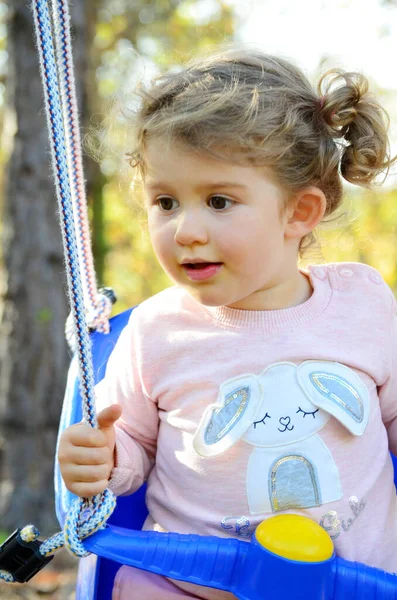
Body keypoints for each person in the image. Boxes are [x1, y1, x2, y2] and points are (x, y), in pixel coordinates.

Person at [58, 46, 397, 600]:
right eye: (165, 202)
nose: (185, 229)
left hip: (355, 586)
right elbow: (132, 447)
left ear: (300, 212)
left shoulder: (361, 305)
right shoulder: (155, 330)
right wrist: (103, 456)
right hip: (189, 584)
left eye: (218, 200)